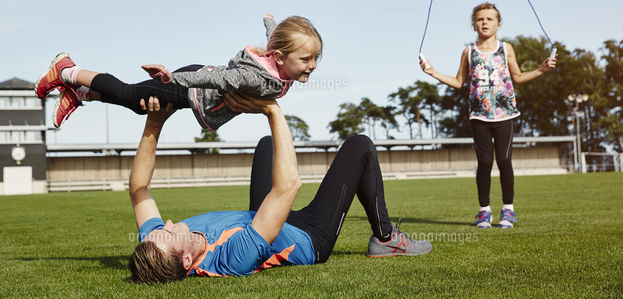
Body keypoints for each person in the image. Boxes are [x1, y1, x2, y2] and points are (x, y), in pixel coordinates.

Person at [128, 92, 432, 284]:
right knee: (360, 146)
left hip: (261, 216)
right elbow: (288, 187)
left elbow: (139, 189)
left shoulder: (154, 245)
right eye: (169, 233)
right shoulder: (232, 258)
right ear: (185, 260)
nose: (166, 223)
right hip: (308, 237)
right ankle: (387, 239)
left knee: (267, 144)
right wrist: (272, 109)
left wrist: (154, 124)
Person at [34, 15, 322, 129]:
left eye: (317, 57)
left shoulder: (281, 64)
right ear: (280, 57)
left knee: (137, 106)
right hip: (192, 85)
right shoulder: (253, 77)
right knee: (131, 94)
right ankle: (68, 71)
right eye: (307, 58)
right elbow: (215, 79)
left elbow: (276, 37)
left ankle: (80, 94)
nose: (313, 65)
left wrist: (270, 22)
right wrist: (171, 79)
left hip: (193, 91)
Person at [420, 3, 557, 229]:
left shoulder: (506, 49)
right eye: (480, 19)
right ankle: (484, 211)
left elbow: (518, 77)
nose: (485, 22)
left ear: (498, 24)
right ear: (474, 25)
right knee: (484, 163)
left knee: (504, 161)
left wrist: (542, 70)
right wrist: (432, 71)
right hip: (479, 116)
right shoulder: (469, 52)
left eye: (489, 19)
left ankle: (508, 211)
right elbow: (458, 82)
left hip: (504, 115)